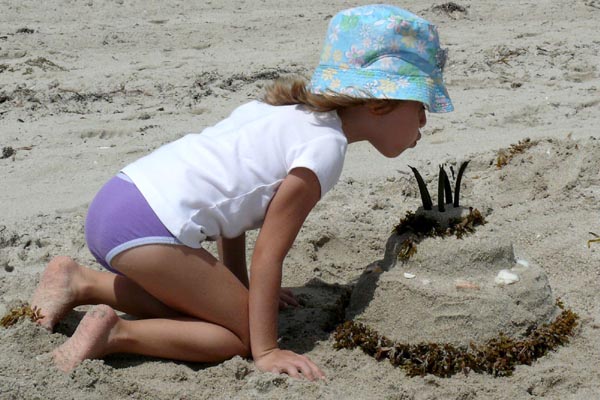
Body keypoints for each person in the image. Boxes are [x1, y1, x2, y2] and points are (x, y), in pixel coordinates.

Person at [30, 4, 453, 380]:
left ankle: (81, 282)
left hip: (119, 200)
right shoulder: (325, 149)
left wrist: (239, 290)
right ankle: (117, 334)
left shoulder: (279, 111)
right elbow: (268, 252)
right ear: (380, 102)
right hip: (152, 229)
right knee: (236, 338)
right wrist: (265, 350)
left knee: (216, 307)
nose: (423, 122)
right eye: (421, 107)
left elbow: (231, 213)